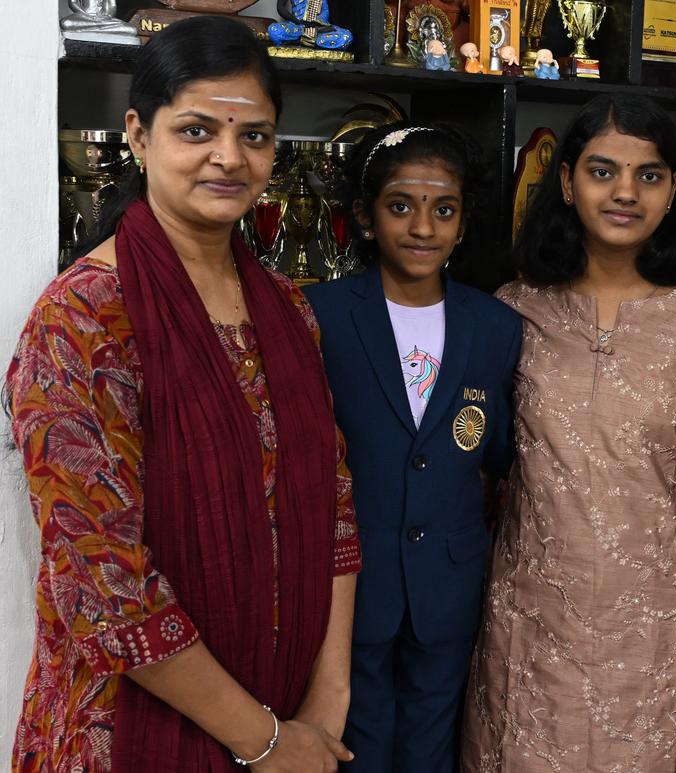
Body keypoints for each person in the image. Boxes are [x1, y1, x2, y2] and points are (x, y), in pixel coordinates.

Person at [5, 16, 361, 773]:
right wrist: (261, 740)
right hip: (129, 732)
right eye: (197, 129)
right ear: (137, 133)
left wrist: (323, 711)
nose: (228, 157)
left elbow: (333, 508)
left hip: (287, 719)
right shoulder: (84, 319)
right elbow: (103, 582)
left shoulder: (289, 310)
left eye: (255, 136)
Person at [461, 93, 676, 772]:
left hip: (666, 640)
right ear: (566, 181)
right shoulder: (514, 312)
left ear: (675, 189)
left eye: (649, 175)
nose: (625, 192)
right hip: (532, 632)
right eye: (602, 171)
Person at [303, 124, 521, 772]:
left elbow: (498, 448)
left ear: (463, 223)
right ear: (367, 218)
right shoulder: (321, 313)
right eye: (401, 206)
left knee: (432, 743)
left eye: (443, 209)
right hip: (353, 586)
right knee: (357, 741)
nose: (423, 226)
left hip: (448, 585)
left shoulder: (495, 325)